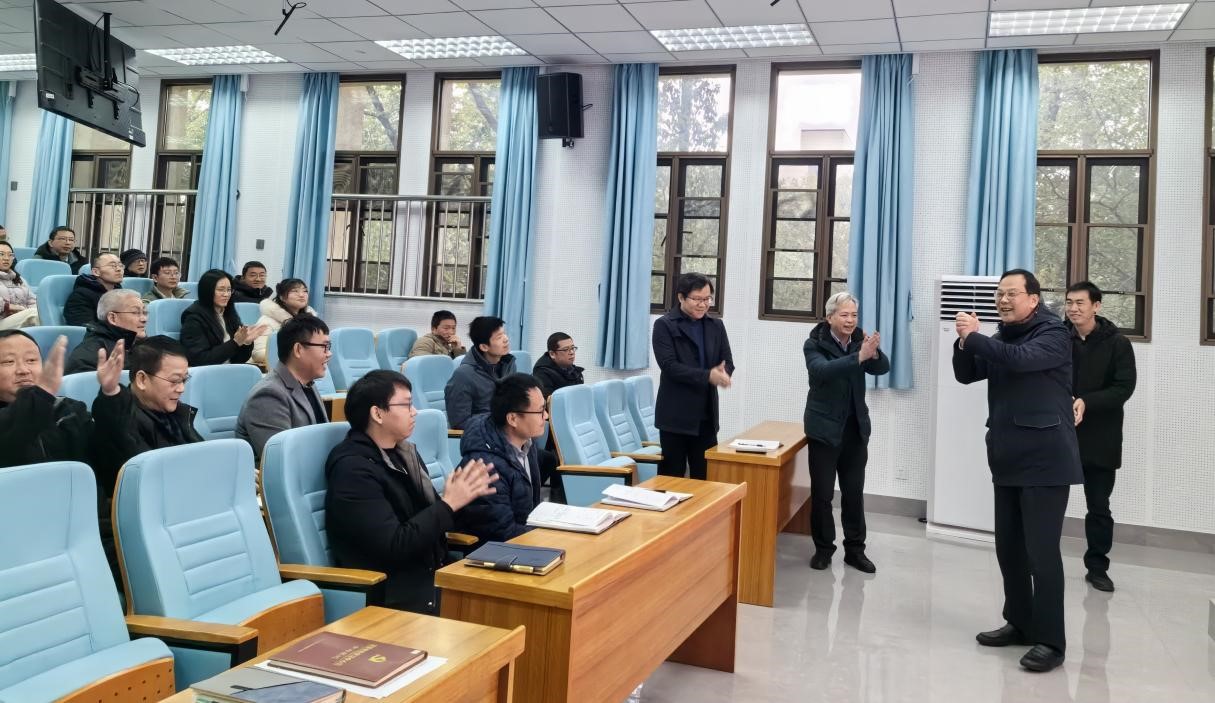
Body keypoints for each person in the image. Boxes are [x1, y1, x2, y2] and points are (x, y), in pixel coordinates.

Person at [953, 268, 1082, 674]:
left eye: (1011, 293)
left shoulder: (1053, 333)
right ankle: (1021, 623)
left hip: (1046, 460)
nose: (1003, 300)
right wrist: (963, 342)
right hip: (1008, 456)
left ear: (1034, 299)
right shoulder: (1004, 335)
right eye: (999, 294)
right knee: (1009, 549)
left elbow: (1021, 361)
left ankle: (1051, 641)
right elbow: (967, 374)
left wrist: (975, 337)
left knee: (1041, 554)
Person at [325, 370, 496, 614]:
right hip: (394, 593)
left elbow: (429, 520)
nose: (414, 412)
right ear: (377, 413)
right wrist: (448, 504)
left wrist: (464, 498)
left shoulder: (402, 453)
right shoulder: (353, 471)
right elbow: (394, 546)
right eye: (406, 405)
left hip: (431, 572)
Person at [803, 291, 890, 574]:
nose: (851, 320)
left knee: (853, 493)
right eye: (844, 315)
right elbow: (822, 371)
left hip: (855, 429)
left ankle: (855, 550)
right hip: (824, 429)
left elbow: (882, 368)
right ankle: (823, 549)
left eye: (854, 314)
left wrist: (873, 352)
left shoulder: (859, 340)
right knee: (822, 494)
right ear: (830, 317)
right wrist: (858, 357)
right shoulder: (814, 343)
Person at [1064, 281, 1137, 593]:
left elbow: (1123, 388)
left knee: (1098, 506)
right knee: (1047, 501)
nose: (1073, 308)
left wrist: (1086, 401)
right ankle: (1040, 560)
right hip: (1061, 434)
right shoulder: (1058, 338)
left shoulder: (1117, 343)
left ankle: (1097, 568)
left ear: (1096, 306)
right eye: (1069, 302)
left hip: (1100, 437)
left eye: (1080, 302)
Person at [652, 272, 734, 480]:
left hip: (706, 416)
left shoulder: (716, 326)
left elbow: (727, 360)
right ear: (681, 297)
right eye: (697, 299)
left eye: (707, 299)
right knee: (672, 480)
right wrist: (708, 376)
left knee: (706, 479)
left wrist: (724, 373)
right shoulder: (664, 325)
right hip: (675, 417)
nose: (703, 304)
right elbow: (670, 366)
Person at [93, 336, 204, 481]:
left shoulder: (178, 412)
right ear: (142, 380)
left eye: (184, 380)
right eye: (175, 380)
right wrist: (111, 393)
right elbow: (118, 427)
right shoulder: (123, 421)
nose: (181, 388)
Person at [455, 374, 546, 544]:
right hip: (497, 552)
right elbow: (502, 533)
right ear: (513, 419)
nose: (546, 416)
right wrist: (551, 535)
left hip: (526, 540)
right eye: (540, 411)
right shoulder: (485, 466)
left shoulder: (526, 443)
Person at [236, 315, 331, 460]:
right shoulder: (268, 395)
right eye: (324, 347)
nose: (329, 353)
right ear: (298, 349)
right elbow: (281, 460)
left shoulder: (307, 384)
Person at [179, 269, 267, 367]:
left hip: (229, 370)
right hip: (207, 372)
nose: (226, 294)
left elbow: (238, 360)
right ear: (207, 291)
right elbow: (200, 359)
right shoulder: (193, 318)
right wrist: (235, 342)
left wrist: (246, 343)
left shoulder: (229, 314)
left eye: (229, 290)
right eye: (221, 290)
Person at [445, 316, 516, 431]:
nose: (506, 339)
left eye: (504, 334)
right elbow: (460, 423)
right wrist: (498, 424)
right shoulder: (463, 376)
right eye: (499, 337)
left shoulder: (508, 365)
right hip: (483, 436)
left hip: (507, 431)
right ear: (484, 347)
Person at [66, 289, 146, 373]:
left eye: (144, 312)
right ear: (112, 318)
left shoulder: (144, 345)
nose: (144, 319)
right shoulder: (88, 355)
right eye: (135, 312)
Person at [250, 278, 316, 367]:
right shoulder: (266, 321)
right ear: (282, 297)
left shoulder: (311, 321)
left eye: (305, 291)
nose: (301, 295)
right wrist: (294, 356)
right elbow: (258, 354)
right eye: (295, 291)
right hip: (276, 369)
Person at [64, 252, 124, 326]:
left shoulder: (121, 294)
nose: (119, 269)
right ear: (96, 272)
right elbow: (87, 328)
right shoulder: (81, 296)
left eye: (120, 265)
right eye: (112, 266)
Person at [532, 332, 584, 399]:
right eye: (565, 349)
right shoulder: (542, 373)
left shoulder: (573, 370)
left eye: (572, 348)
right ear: (552, 354)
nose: (571, 352)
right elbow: (549, 403)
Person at [0, 241, 38, 329]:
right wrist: (8, 307)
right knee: (33, 314)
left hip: (18, 319)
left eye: (10, 255)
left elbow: (32, 301)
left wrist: (24, 310)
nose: (6, 258)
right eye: (1, 254)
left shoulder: (19, 278)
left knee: (40, 313)